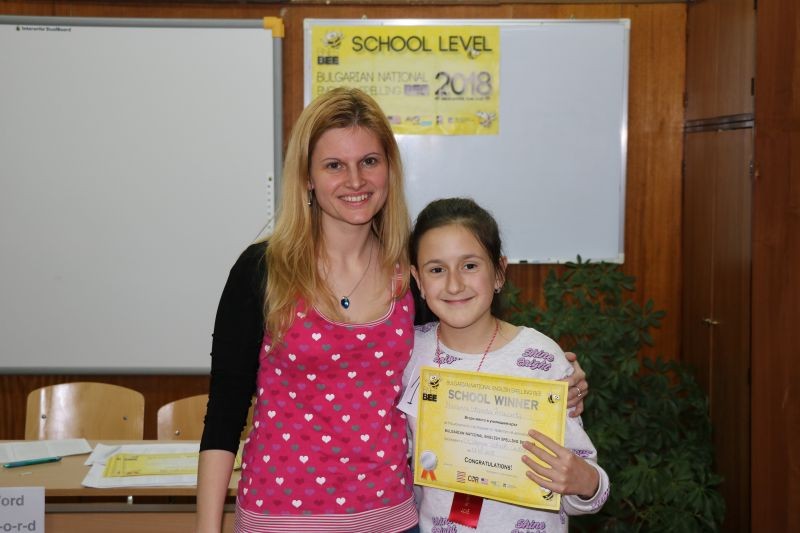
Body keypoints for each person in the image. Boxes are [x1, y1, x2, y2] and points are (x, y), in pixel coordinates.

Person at [196, 88, 588, 532]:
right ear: (307, 177)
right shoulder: (263, 270)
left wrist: (554, 380)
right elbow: (224, 413)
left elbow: (467, 355)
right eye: (334, 165)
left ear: (389, 169)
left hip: (393, 519)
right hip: (278, 518)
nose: (355, 180)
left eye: (369, 161)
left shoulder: (412, 276)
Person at [402, 197, 609, 532]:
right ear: (418, 279)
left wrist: (587, 483)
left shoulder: (541, 360)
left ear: (499, 272)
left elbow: (585, 488)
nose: (454, 284)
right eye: (437, 269)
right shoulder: (406, 354)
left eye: (470, 266)